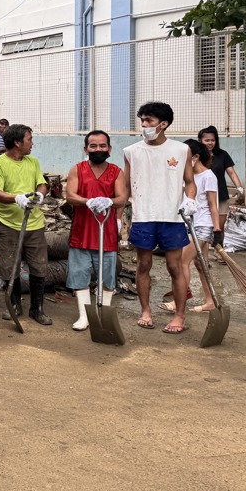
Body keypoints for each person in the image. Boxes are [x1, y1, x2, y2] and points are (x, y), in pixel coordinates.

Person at [123, 102, 197, 334]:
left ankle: (179, 315)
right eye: (142, 120)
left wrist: (191, 199)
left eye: (149, 121)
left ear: (163, 124)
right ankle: (145, 311)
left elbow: (190, 182)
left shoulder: (181, 149)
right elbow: (125, 187)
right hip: (143, 215)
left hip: (172, 217)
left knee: (175, 267)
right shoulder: (131, 151)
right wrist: (119, 216)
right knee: (144, 265)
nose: (144, 125)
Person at [0, 124, 53, 326]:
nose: (32, 143)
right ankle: (14, 305)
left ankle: (37, 309)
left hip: (34, 224)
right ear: (17, 142)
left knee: (39, 266)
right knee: (9, 266)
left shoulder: (32, 161)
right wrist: (16, 198)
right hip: (8, 225)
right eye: (29, 139)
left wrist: (40, 193)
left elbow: (41, 183)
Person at [64, 130, 128, 331]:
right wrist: (88, 201)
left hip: (106, 231)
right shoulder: (78, 169)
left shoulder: (116, 171)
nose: (98, 149)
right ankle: (85, 316)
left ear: (109, 149)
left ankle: (103, 314)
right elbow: (70, 196)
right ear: (86, 149)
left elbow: (122, 199)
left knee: (107, 275)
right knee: (79, 273)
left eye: (102, 146)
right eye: (93, 146)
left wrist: (109, 200)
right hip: (82, 231)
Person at [173, 139, 221, 315]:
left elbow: (212, 204)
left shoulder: (208, 176)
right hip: (190, 224)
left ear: (195, 157)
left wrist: (217, 230)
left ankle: (180, 300)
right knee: (201, 265)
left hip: (203, 226)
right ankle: (210, 301)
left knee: (181, 261)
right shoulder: (188, 177)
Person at [197, 126, 244, 237]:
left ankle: (218, 249)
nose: (210, 143)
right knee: (203, 225)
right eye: (206, 140)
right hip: (202, 196)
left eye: (213, 140)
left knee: (219, 226)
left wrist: (240, 188)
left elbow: (231, 172)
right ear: (200, 141)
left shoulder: (222, 155)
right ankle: (203, 247)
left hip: (221, 195)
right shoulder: (197, 156)